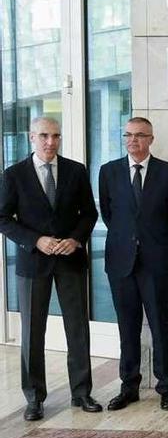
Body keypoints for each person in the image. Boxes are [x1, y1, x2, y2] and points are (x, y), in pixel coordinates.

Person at [0, 117, 101, 421]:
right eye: (44, 135)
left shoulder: (76, 171)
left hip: (70, 260)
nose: (50, 142)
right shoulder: (14, 174)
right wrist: (36, 240)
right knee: (33, 333)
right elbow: (3, 218)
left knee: (77, 329)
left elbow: (89, 213)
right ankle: (34, 398)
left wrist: (76, 239)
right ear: (32, 137)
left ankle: (82, 392)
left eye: (56, 136)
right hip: (34, 262)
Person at [98, 116, 168, 411]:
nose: (133, 140)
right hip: (121, 263)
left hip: (157, 263)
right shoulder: (108, 171)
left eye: (140, 135)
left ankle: (165, 386)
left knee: (161, 326)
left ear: (151, 139)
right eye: (128, 135)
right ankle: (129, 386)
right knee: (127, 327)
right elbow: (109, 214)